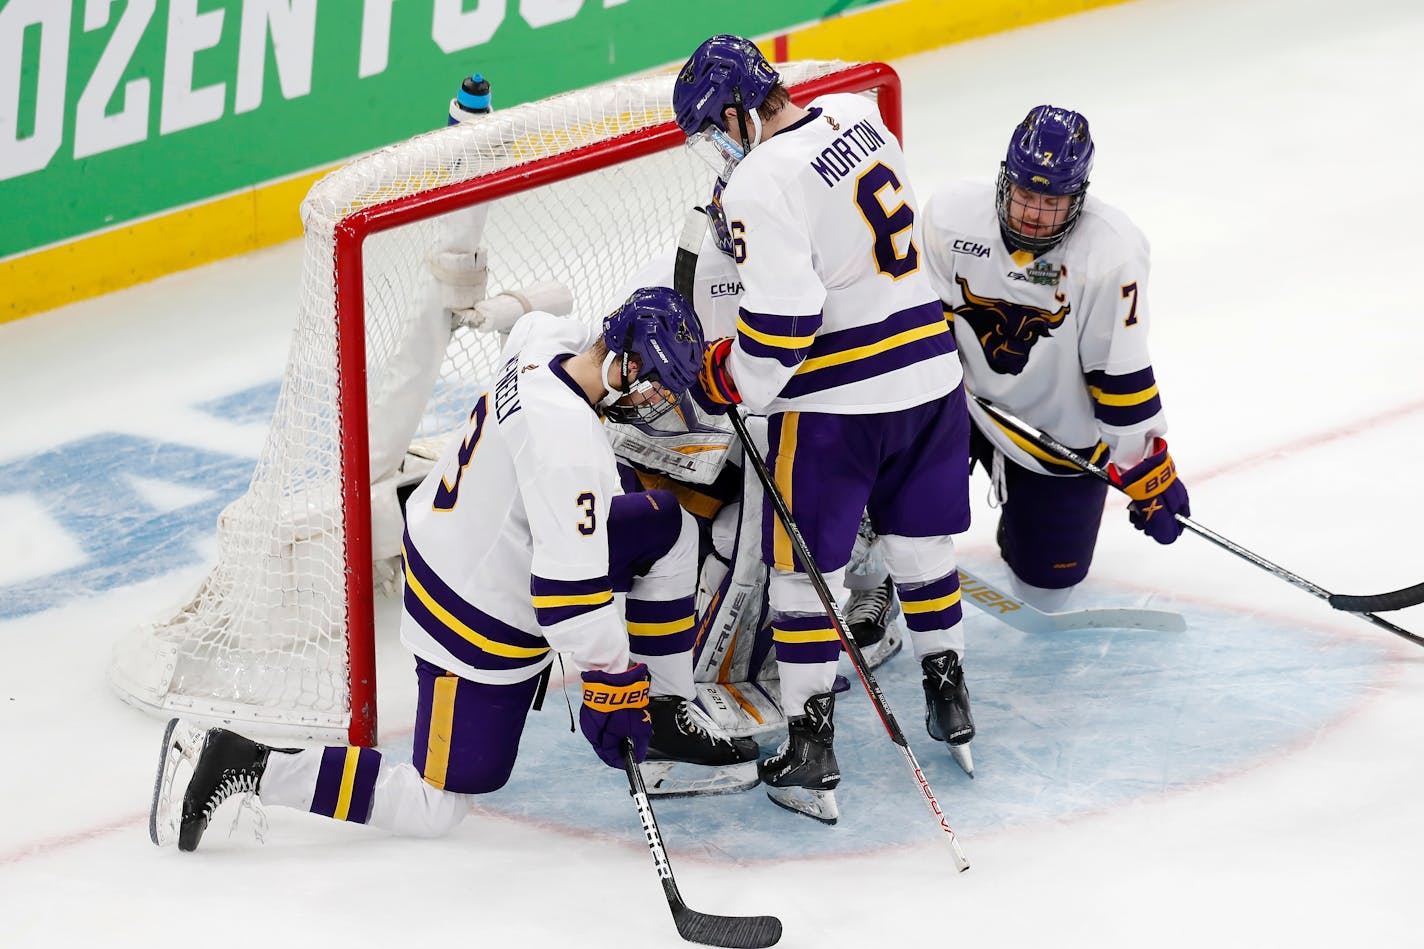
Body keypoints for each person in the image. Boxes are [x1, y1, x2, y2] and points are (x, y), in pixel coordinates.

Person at [150, 288, 758, 852]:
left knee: (667, 528)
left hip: (459, 535)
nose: (655, 400)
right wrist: (611, 681)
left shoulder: (550, 348)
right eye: (653, 382)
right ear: (623, 360)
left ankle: (668, 708)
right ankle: (241, 761)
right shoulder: (568, 449)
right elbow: (566, 597)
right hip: (472, 607)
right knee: (437, 803)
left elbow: (536, 319)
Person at [673, 35, 974, 824]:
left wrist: (726, 376)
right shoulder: (856, 113)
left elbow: (783, 323)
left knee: (801, 576)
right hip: (935, 380)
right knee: (920, 547)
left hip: (844, 406)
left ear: (738, 113)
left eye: (713, 129)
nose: (716, 149)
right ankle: (950, 694)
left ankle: (812, 747)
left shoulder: (758, 182)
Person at [919, 104, 1191, 614]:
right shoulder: (951, 216)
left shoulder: (1111, 253)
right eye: (1025, 193)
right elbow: (921, 328)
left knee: (1048, 586)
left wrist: (1144, 465)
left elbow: (1119, 372)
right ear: (1005, 181)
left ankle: (1025, 526)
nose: (1033, 213)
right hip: (958, 407)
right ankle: (877, 583)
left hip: (1056, 435)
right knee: (887, 483)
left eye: (1053, 199)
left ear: (1079, 197)